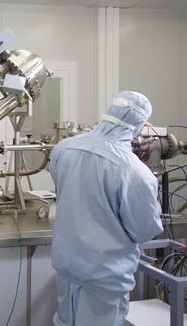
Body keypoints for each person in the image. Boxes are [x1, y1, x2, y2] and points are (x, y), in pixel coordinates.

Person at [50, 91, 163, 326]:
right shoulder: (135, 172)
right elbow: (144, 230)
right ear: (139, 125)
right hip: (104, 277)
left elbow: (61, 186)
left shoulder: (64, 148)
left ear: (109, 112)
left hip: (67, 267)